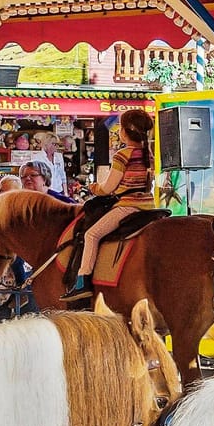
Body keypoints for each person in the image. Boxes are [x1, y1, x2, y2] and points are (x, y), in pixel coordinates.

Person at [66, 108, 156, 301]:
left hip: (128, 206)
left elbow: (109, 188)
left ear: (125, 132)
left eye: (120, 128)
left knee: (91, 234)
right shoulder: (148, 154)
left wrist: (94, 188)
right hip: (150, 206)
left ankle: (82, 281)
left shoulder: (123, 155)